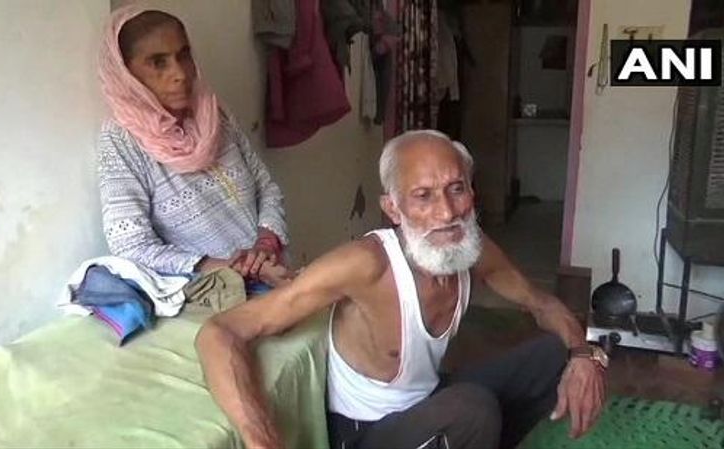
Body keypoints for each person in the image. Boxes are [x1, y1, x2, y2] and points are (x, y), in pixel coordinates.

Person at [195, 130, 606, 449]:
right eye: (423, 196)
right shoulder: (367, 264)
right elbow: (220, 332)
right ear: (393, 208)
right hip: (365, 435)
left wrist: (584, 356)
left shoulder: (470, 247)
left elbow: (540, 302)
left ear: (471, 192)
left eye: (456, 189)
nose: (446, 212)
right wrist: (262, 441)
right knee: (473, 411)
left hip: (425, 402)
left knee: (554, 353)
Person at [97, 6, 288, 279]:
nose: (180, 73)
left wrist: (265, 244)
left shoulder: (213, 114)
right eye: (158, 62)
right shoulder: (121, 141)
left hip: (271, 271)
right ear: (125, 73)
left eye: (183, 55)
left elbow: (265, 187)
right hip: (211, 290)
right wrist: (227, 267)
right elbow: (132, 246)